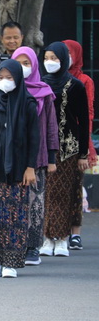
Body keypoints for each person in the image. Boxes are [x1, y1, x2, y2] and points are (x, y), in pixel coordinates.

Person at [0, 59, 40, 278]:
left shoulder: (28, 105)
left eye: (10, 77)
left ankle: (12, 262)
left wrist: (30, 167)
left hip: (19, 171)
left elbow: (34, 139)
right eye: (1, 78)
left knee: (16, 217)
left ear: (19, 79)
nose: (5, 82)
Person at [40, 41, 89, 258]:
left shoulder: (75, 86)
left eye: (55, 58)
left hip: (67, 147)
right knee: (45, 194)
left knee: (61, 193)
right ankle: (46, 237)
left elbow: (83, 121)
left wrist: (83, 153)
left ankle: (60, 239)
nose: (50, 62)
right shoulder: (40, 84)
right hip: (43, 146)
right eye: (47, 58)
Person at [11, 46, 58, 266]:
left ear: (34, 65)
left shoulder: (44, 92)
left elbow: (51, 127)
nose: (23, 68)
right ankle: (14, 245)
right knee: (13, 203)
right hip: (11, 157)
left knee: (35, 203)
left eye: (27, 63)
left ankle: (32, 248)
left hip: (37, 158)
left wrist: (51, 158)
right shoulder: (8, 90)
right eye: (18, 63)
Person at [64, 39, 96, 250]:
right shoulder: (50, 79)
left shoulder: (84, 80)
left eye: (69, 53)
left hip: (76, 140)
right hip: (57, 140)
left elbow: (88, 114)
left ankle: (75, 233)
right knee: (55, 190)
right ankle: (56, 231)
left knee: (75, 187)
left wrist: (84, 147)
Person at [0, 22, 24, 95]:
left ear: (22, 38)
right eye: (8, 38)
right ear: (1, 39)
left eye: (16, 37)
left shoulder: (29, 61)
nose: (12, 41)